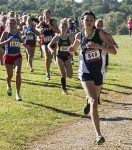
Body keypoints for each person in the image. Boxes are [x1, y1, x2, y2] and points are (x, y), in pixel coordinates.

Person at [68, 11, 117, 144]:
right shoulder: (80, 35)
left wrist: (98, 46)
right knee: (94, 101)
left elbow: (114, 51)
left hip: (98, 71)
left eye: (91, 20)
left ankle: (87, 100)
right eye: (86, 20)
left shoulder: (100, 34)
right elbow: (74, 47)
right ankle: (98, 135)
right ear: (82, 21)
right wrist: (71, 49)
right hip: (85, 70)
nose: (89, 22)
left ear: (94, 22)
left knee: (93, 99)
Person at [0, 18, 24, 101]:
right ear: (7, 24)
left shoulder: (18, 32)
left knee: (18, 73)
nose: (13, 25)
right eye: (10, 23)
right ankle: (8, 84)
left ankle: (18, 93)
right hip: (8, 57)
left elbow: (21, 41)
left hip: (17, 56)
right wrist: (7, 40)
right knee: (9, 76)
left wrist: (22, 40)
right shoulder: (5, 33)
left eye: (14, 23)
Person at [48, 19, 74, 95]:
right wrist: (52, 50)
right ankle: (64, 90)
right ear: (59, 27)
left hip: (68, 57)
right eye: (62, 26)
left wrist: (74, 51)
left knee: (70, 75)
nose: (64, 28)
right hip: (59, 57)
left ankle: (65, 71)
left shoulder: (70, 37)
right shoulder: (57, 37)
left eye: (65, 26)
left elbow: (72, 46)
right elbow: (49, 45)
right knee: (63, 75)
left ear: (67, 28)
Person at [36, 9, 59, 80]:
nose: (47, 15)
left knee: (50, 58)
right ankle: (47, 72)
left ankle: (49, 65)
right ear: (43, 15)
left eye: (48, 14)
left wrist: (51, 26)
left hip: (52, 42)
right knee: (46, 57)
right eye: (45, 14)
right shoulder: (42, 22)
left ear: (50, 15)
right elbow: (36, 27)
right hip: (44, 42)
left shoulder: (53, 21)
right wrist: (39, 30)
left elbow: (58, 31)